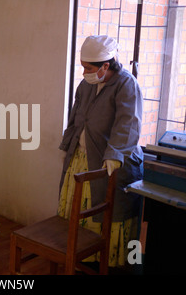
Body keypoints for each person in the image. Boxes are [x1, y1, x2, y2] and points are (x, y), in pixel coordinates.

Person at [58, 35, 144, 267]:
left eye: (88, 67)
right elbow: (75, 118)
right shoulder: (86, 85)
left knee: (106, 212)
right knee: (79, 208)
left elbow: (127, 125)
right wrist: (67, 146)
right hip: (82, 156)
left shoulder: (127, 85)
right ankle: (79, 256)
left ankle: (102, 261)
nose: (84, 71)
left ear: (106, 65)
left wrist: (114, 156)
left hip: (109, 163)